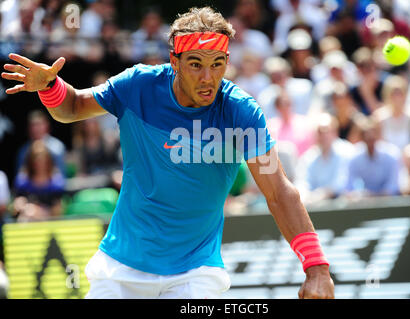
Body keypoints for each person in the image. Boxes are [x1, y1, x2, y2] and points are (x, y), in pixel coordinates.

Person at [2, 7, 334, 299]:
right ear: (174, 61)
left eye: (217, 64)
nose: (208, 78)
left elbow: (278, 191)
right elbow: (72, 106)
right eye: (195, 65)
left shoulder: (240, 112)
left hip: (195, 274)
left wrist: (316, 265)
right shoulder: (137, 86)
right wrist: (50, 86)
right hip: (120, 268)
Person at [345, 117, 401, 197]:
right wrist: (358, 195)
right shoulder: (355, 158)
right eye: (367, 137)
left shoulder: (391, 155)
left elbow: (393, 187)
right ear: (362, 138)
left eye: (372, 138)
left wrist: (374, 196)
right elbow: (349, 187)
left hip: (388, 203)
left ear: (378, 136)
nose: (370, 140)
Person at [13, 140, 65, 222]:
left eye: (42, 159)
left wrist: (39, 212)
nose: (39, 163)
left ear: (48, 161)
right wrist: (24, 207)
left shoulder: (56, 184)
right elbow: (16, 207)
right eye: (36, 160)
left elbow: (58, 212)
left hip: (49, 224)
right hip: (28, 223)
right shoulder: (22, 183)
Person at [15, 109, 66, 176]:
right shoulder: (23, 151)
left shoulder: (58, 147)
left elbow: (62, 175)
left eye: (39, 124)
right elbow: (20, 177)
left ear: (46, 125)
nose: (36, 128)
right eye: (33, 125)